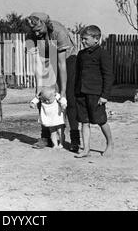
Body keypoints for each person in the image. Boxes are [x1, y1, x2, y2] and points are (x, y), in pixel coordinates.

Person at [26, 13, 80, 152]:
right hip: (47, 59)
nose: (36, 33)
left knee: (69, 98)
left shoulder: (58, 32)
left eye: (39, 29)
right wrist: (38, 89)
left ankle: (74, 138)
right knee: (43, 96)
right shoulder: (30, 37)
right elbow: (38, 64)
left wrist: (62, 92)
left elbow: (62, 64)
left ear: (46, 24)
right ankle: (46, 137)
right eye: (34, 31)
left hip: (67, 60)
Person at [74, 25, 114, 158]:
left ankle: (110, 143)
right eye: (82, 39)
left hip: (95, 94)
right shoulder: (81, 54)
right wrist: (76, 92)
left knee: (100, 120)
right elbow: (77, 74)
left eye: (85, 39)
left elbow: (108, 76)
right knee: (84, 121)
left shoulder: (103, 54)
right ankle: (86, 149)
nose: (83, 41)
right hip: (81, 92)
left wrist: (104, 96)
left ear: (96, 39)